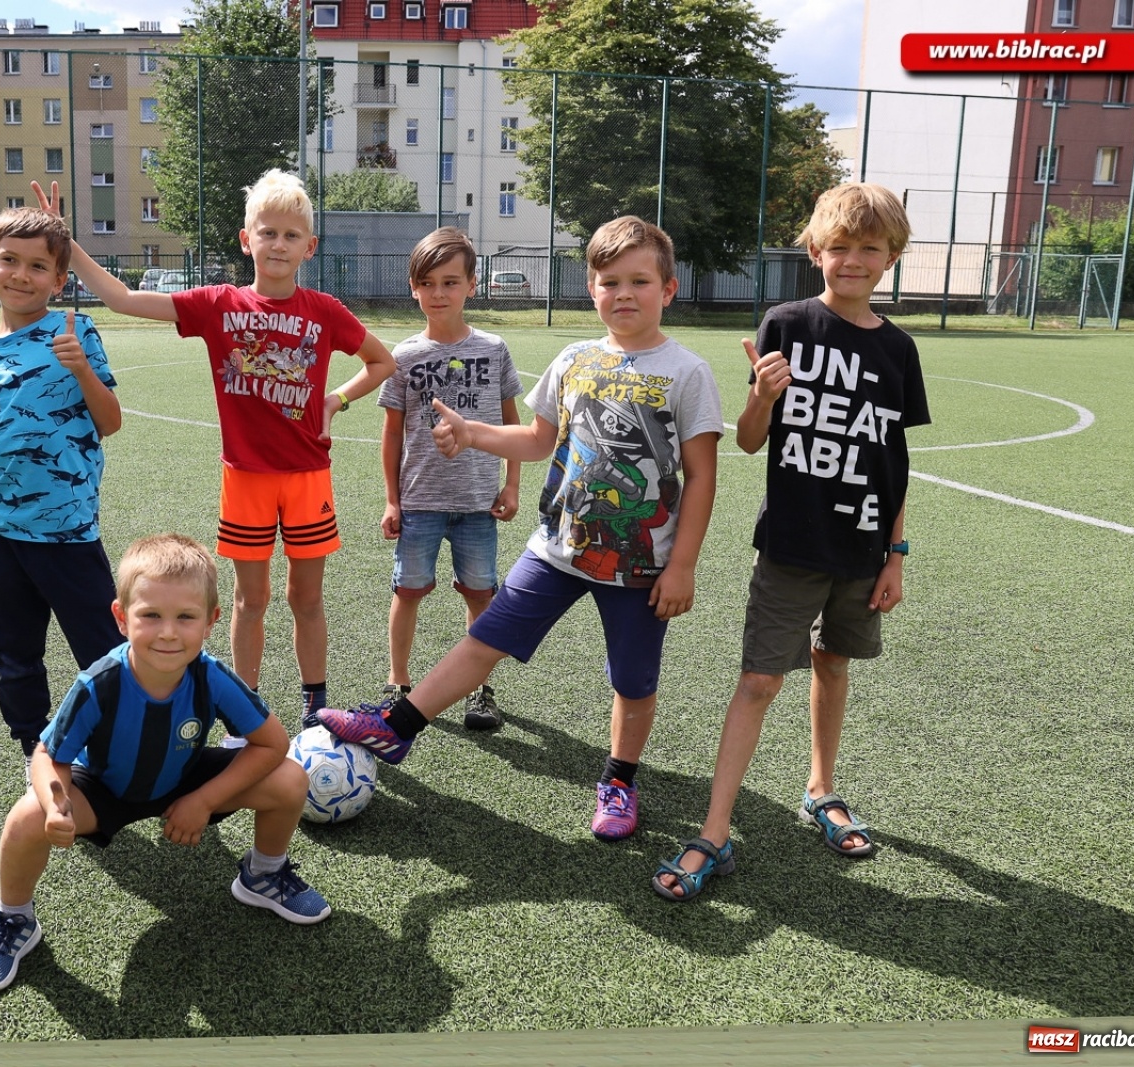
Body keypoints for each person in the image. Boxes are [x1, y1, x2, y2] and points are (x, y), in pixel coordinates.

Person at [319, 216, 721, 842]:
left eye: (639, 281)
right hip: (555, 548)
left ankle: (619, 779)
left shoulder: (687, 372)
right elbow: (537, 439)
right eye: (609, 281)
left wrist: (684, 564)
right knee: (485, 638)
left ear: (667, 289)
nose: (623, 294)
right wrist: (473, 434)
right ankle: (396, 727)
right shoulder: (574, 359)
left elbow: (701, 476)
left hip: (640, 564)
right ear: (591, 287)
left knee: (634, 680)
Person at [29, 172, 394, 732]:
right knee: (251, 599)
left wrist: (336, 400)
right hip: (245, 478)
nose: (278, 244)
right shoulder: (218, 304)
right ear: (246, 240)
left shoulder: (323, 310)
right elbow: (123, 299)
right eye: (267, 232)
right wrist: (65, 241)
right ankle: (243, 707)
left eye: (291, 235)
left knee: (307, 598)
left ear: (309, 247)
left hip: (307, 478)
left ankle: (314, 704)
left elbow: (380, 361)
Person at [654, 182, 930, 901]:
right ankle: (715, 830)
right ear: (815, 251)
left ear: (892, 257)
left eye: (871, 248)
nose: (854, 259)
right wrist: (762, 397)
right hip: (790, 543)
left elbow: (893, 463)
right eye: (840, 246)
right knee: (759, 680)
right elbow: (749, 443)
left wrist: (896, 554)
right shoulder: (786, 323)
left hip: (863, 549)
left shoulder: (900, 349)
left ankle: (821, 790)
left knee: (833, 665)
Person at [0, 533, 330, 994]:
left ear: (212, 620)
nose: (169, 632)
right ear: (121, 617)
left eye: (185, 617)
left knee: (290, 778)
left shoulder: (212, 677)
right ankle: (14, 918)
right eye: (151, 615)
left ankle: (263, 873)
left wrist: (203, 799)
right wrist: (55, 804)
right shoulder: (100, 682)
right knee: (26, 816)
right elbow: (47, 755)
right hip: (106, 789)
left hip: (183, 780)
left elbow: (272, 744)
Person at [0, 207, 124, 765]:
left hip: (68, 530)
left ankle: (122, 748)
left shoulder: (73, 330)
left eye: (37, 266)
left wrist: (80, 370)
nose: (21, 275)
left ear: (59, 279)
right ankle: (36, 748)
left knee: (104, 653)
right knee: (15, 653)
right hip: (0, 531)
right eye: (9, 261)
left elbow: (110, 421)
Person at [378, 227, 522, 730]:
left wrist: (512, 485)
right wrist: (392, 501)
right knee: (409, 591)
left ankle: (481, 690)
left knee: (481, 594)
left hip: (479, 502)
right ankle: (398, 683)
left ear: (472, 286)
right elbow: (392, 435)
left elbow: (511, 425)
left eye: (451, 282)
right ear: (413, 288)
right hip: (420, 502)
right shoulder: (404, 355)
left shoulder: (494, 348)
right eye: (428, 283)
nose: (439, 293)